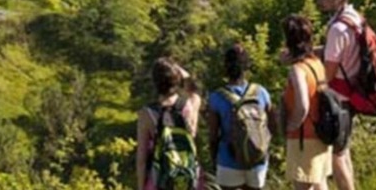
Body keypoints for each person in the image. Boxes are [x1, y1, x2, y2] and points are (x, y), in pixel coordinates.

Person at [207, 43, 275, 189]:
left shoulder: (216, 97)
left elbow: (213, 136)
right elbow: (272, 126)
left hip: (228, 159)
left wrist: (214, 160)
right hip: (257, 159)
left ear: (225, 67)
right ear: (247, 67)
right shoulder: (261, 92)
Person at [314, 0, 358, 190]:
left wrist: (314, 87)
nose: (319, 2)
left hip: (338, 98)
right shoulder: (354, 18)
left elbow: (329, 70)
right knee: (344, 151)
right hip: (352, 93)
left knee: (336, 157)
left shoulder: (337, 29)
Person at [137, 57, 202, 190]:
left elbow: (142, 159)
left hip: (159, 179)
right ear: (177, 79)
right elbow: (193, 89)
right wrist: (180, 72)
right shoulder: (191, 104)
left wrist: (140, 186)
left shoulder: (147, 114)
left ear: (155, 83)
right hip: (188, 179)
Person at [283, 15, 332, 190]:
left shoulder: (297, 70)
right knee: (320, 183)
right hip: (321, 133)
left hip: (303, 136)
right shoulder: (317, 64)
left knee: (302, 186)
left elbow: (303, 105)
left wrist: (290, 125)